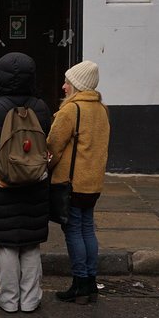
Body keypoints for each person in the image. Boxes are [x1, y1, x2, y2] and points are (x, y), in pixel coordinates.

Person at [0, 52, 52, 313]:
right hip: (35, 182)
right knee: (30, 243)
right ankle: (30, 300)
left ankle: (8, 299)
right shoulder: (40, 107)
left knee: (6, 243)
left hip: (1, 180)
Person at [47, 60, 110, 305]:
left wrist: (48, 167)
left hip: (70, 183)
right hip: (92, 183)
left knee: (73, 230)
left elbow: (53, 145)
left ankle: (80, 283)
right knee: (87, 229)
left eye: (68, 82)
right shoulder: (102, 109)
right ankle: (91, 283)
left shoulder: (72, 111)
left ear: (78, 86)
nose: (64, 87)